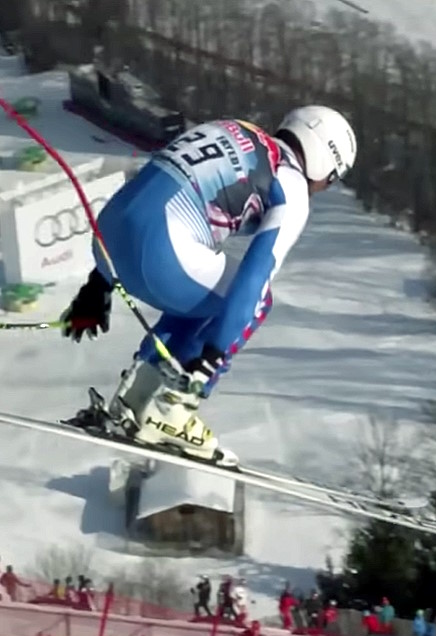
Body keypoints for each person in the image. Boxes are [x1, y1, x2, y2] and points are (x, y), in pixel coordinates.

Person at [61, 107, 357, 465]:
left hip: (107, 238)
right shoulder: (291, 185)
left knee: (206, 290)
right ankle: (175, 410)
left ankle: (136, 397)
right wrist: (213, 358)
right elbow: (254, 277)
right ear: (326, 161)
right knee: (255, 301)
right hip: (158, 257)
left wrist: (100, 281)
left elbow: (152, 192)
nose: (324, 188)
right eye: (332, 179)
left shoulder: (232, 127)